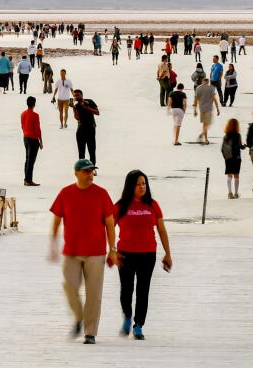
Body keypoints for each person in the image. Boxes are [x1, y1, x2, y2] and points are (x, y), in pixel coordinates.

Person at [50, 159, 118, 345]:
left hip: (96, 252)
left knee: (94, 293)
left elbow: (110, 224)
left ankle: (90, 332)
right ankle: (79, 317)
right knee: (69, 287)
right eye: (86, 171)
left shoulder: (102, 194)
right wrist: (53, 243)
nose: (90, 175)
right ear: (76, 173)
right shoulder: (65, 193)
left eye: (92, 171)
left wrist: (112, 249)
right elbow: (56, 220)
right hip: (71, 251)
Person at [114, 170, 172, 340]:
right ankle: (127, 315)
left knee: (143, 290)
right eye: (138, 184)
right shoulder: (120, 205)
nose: (142, 187)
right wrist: (111, 250)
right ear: (130, 186)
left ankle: (138, 325)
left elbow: (161, 230)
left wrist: (168, 253)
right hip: (125, 254)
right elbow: (109, 227)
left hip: (148, 254)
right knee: (126, 289)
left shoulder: (153, 205)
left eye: (144, 183)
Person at [72, 89, 100, 164]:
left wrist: (87, 107)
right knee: (81, 152)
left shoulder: (90, 101)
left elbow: (97, 112)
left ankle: (92, 168)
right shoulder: (76, 105)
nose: (76, 97)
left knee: (92, 150)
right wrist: (74, 109)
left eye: (77, 95)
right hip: (80, 130)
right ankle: (83, 169)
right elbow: (77, 118)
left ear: (82, 95)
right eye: (75, 96)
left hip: (91, 129)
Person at [220, 118, 245, 198]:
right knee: (236, 175)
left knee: (229, 175)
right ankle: (236, 193)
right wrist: (244, 146)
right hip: (237, 157)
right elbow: (240, 146)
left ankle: (230, 193)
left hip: (228, 157)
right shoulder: (238, 135)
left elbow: (222, 148)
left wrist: (225, 157)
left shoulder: (226, 136)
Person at [22, 96, 43, 186]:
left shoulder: (23, 113)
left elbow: (22, 126)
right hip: (33, 139)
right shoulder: (35, 115)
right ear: (34, 104)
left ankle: (26, 179)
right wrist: (41, 141)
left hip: (26, 138)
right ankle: (28, 180)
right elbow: (37, 129)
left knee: (28, 159)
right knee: (31, 160)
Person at [193, 79, 220, 144]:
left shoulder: (198, 88)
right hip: (209, 108)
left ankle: (206, 139)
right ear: (208, 82)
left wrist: (195, 110)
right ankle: (202, 135)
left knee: (204, 124)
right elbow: (214, 99)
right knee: (209, 123)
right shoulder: (211, 88)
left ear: (202, 81)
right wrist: (217, 109)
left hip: (201, 108)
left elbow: (195, 99)